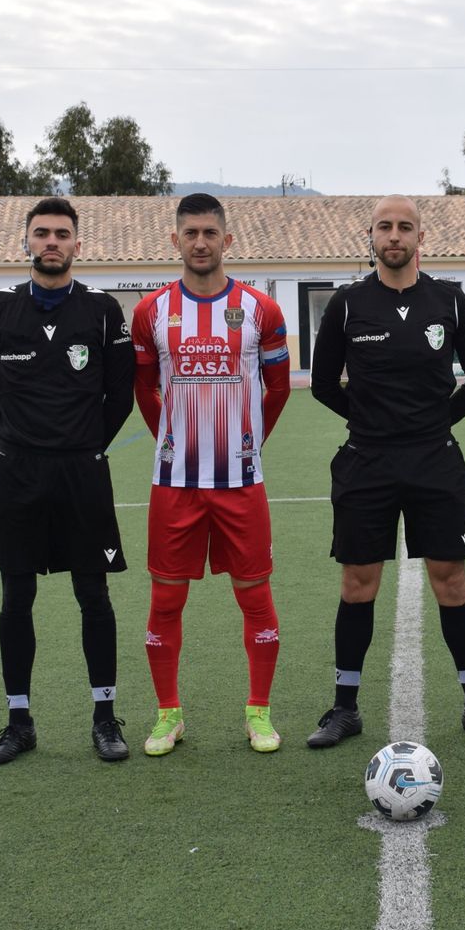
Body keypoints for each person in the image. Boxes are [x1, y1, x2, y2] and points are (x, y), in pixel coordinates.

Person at [307, 196, 465, 748]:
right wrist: (371, 423)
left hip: (434, 461)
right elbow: (324, 387)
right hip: (365, 461)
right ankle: (345, 708)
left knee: (452, 581)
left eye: (405, 227)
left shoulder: (450, 300)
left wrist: (434, 424)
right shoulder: (347, 305)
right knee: (357, 584)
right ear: (370, 236)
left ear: (422, 237)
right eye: (385, 227)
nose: (395, 235)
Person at [0, 196, 135, 765]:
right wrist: (22, 441)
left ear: (77, 245)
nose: (51, 242)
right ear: (25, 242)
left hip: (82, 472)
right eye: (41, 233)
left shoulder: (102, 311)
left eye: (61, 234)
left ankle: (104, 717)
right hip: (15, 473)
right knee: (16, 595)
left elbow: (121, 394)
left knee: (93, 593)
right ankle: (19, 722)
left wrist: (83, 446)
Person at [131, 193, 292, 756]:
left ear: (228, 239)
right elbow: (144, 390)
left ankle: (259, 713)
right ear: (174, 241)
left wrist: (248, 444)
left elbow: (276, 390)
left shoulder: (262, 311)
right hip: (174, 484)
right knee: (165, 601)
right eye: (190, 233)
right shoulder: (151, 311)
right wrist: (171, 444)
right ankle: (168, 714)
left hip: (240, 483)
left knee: (256, 596)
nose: (201, 242)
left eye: (210, 233)